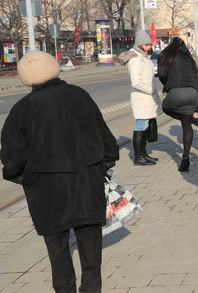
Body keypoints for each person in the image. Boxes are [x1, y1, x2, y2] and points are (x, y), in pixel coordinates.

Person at [1, 51, 119, 293]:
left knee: (57, 251)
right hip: (87, 183)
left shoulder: (22, 109)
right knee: (91, 251)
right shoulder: (80, 95)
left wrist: (29, 179)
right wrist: (102, 167)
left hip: (47, 191)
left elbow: (11, 158)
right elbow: (106, 139)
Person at [157, 37, 198, 173]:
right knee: (186, 125)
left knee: (164, 107)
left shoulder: (166, 55)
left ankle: (195, 121)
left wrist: (167, 84)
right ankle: (185, 158)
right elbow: (196, 81)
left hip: (176, 93)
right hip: (192, 93)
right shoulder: (189, 58)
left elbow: (161, 73)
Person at [118, 29, 161, 166]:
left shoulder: (143, 56)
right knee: (141, 126)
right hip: (141, 97)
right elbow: (136, 82)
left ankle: (144, 154)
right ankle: (138, 157)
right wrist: (151, 90)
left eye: (149, 44)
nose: (149, 47)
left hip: (146, 98)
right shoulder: (136, 59)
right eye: (146, 45)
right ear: (140, 44)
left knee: (145, 125)